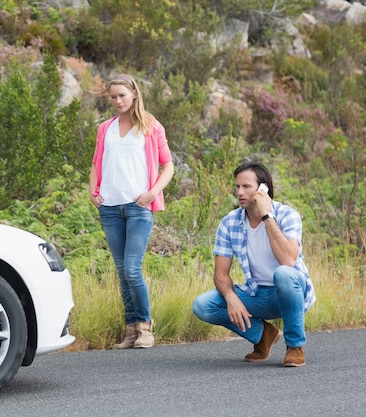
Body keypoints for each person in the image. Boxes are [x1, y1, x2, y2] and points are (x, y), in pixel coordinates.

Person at [192, 161, 316, 366]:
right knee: (203, 305)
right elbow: (221, 273)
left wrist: (267, 215)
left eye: (246, 186)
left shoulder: (287, 215)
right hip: (256, 293)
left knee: (283, 274)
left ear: (262, 188)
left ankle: (294, 346)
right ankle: (263, 336)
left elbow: (288, 260)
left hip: (289, 290)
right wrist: (231, 297)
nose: (240, 192)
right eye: (238, 186)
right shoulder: (229, 222)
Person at [89, 74, 174, 349]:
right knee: (120, 269)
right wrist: (94, 192)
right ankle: (130, 330)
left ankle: (145, 328)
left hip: (138, 207)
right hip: (110, 208)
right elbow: (95, 164)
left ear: (134, 94)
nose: (117, 101)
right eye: (113, 97)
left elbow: (168, 165)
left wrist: (153, 192)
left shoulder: (151, 126)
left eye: (122, 95)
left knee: (132, 269)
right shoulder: (106, 128)